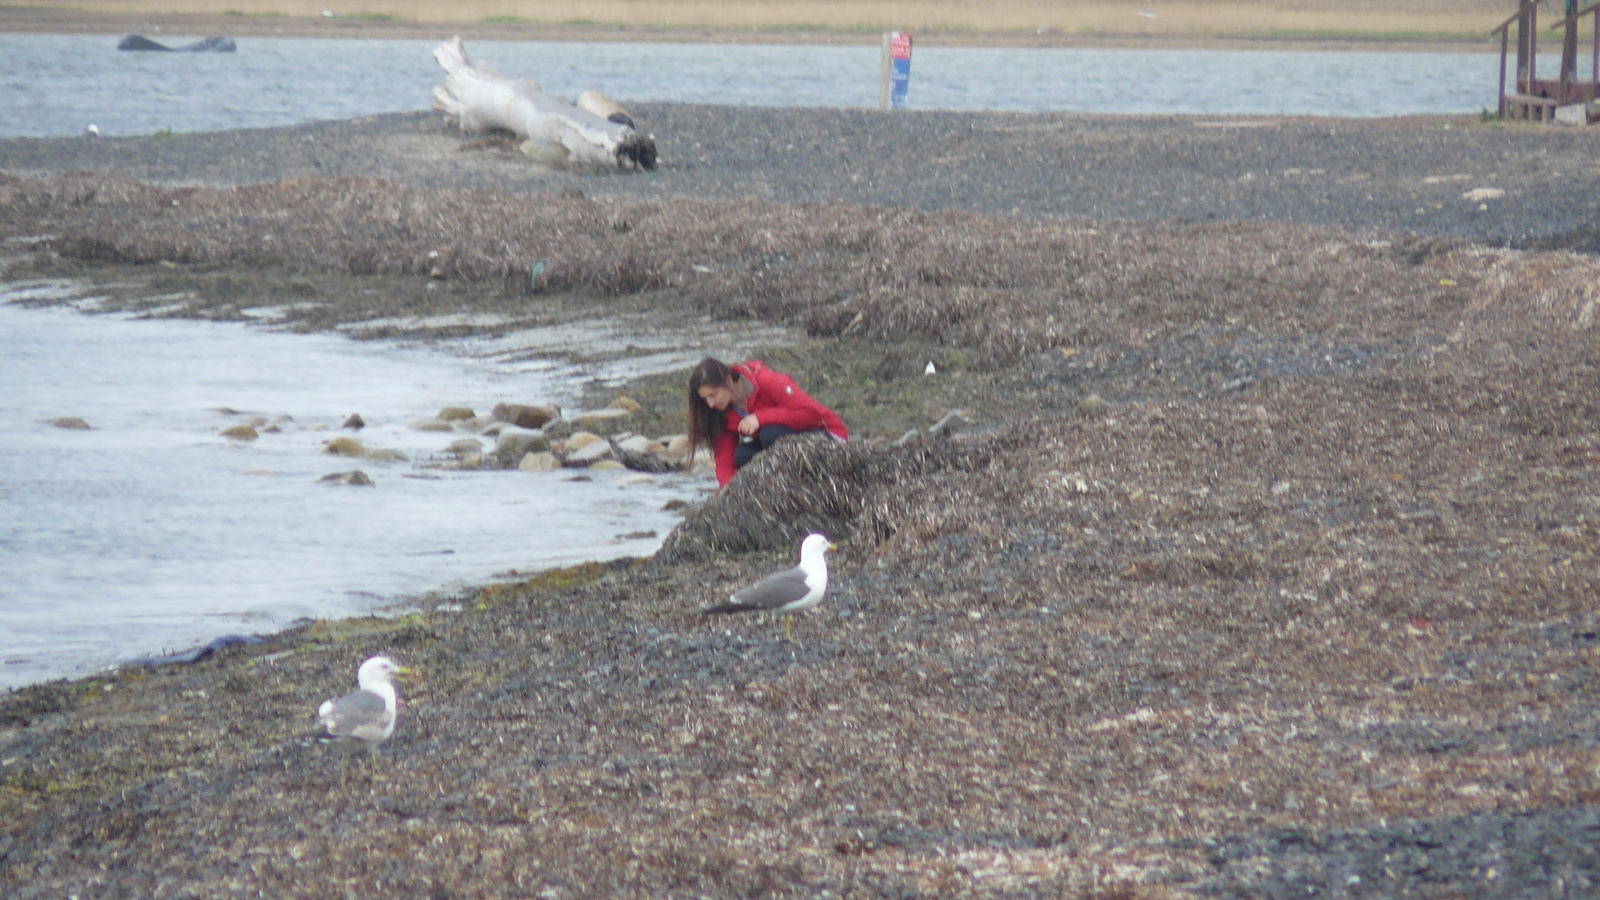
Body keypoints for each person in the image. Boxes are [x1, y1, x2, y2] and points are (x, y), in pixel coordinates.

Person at [686, 357, 848, 487]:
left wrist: (760, 418)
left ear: (728, 381)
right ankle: (783, 484)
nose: (710, 404)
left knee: (769, 434)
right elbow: (724, 458)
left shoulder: (767, 381)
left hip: (828, 435)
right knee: (742, 456)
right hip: (790, 444)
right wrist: (728, 491)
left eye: (713, 395)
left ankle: (801, 480)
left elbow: (811, 414)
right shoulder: (723, 412)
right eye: (706, 399)